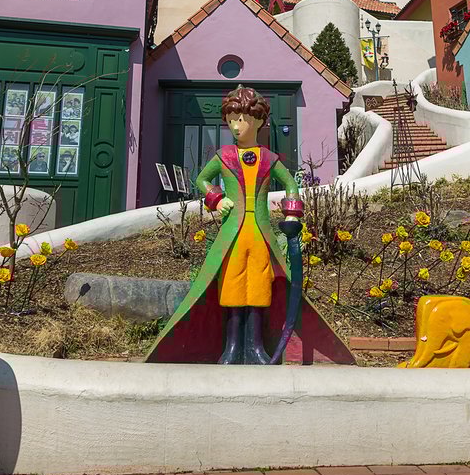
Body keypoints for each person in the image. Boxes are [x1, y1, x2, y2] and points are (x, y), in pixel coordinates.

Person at [145, 86, 355, 365]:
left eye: (241, 119)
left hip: (260, 235)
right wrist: (217, 200)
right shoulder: (225, 156)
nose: (235, 126)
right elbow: (202, 180)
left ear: (257, 120)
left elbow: (291, 184)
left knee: (258, 287)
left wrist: (292, 215)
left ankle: (255, 347)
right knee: (231, 287)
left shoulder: (269, 159)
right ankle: (231, 347)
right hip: (232, 235)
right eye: (231, 120)